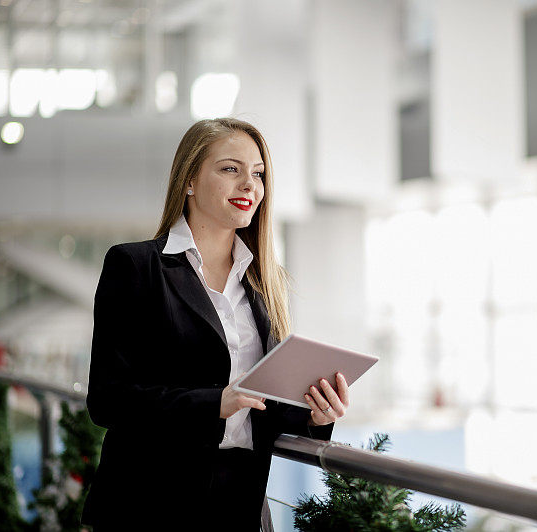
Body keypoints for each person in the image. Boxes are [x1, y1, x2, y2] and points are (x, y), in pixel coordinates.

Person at [80, 118, 350, 531]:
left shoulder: (265, 282)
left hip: (238, 503)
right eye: (230, 169)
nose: (249, 185)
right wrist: (212, 404)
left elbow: (262, 408)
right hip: (148, 503)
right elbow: (107, 399)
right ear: (189, 180)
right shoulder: (136, 266)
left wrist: (316, 415)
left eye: (258, 174)